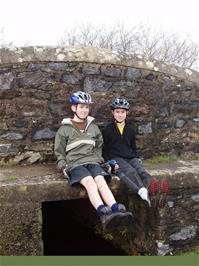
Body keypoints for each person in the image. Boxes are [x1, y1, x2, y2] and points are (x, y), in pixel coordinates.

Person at [54, 91, 133, 232]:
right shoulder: (64, 129)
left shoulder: (93, 127)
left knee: (101, 182)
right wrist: (63, 166)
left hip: (93, 162)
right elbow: (59, 152)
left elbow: (98, 146)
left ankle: (116, 209)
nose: (84, 110)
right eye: (81, 107)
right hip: (76, 164)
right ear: (74, 108)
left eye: (87, 107)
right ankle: (103, 212)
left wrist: (99, 160)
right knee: (90, 183)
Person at [102, 98, 169, 208]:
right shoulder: (107, 130)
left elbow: (133, 147)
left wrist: (136, 158)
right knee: (130, 171)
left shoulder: (130, 130)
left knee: (141, 170)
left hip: (130, 157)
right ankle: (143, 192)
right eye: (117, 112)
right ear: (112, 113)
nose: (120, 114)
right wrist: (110, 162)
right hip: (116, 158)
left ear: (127, 113)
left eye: (123, 112)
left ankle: (154, 190)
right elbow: (104, 149)